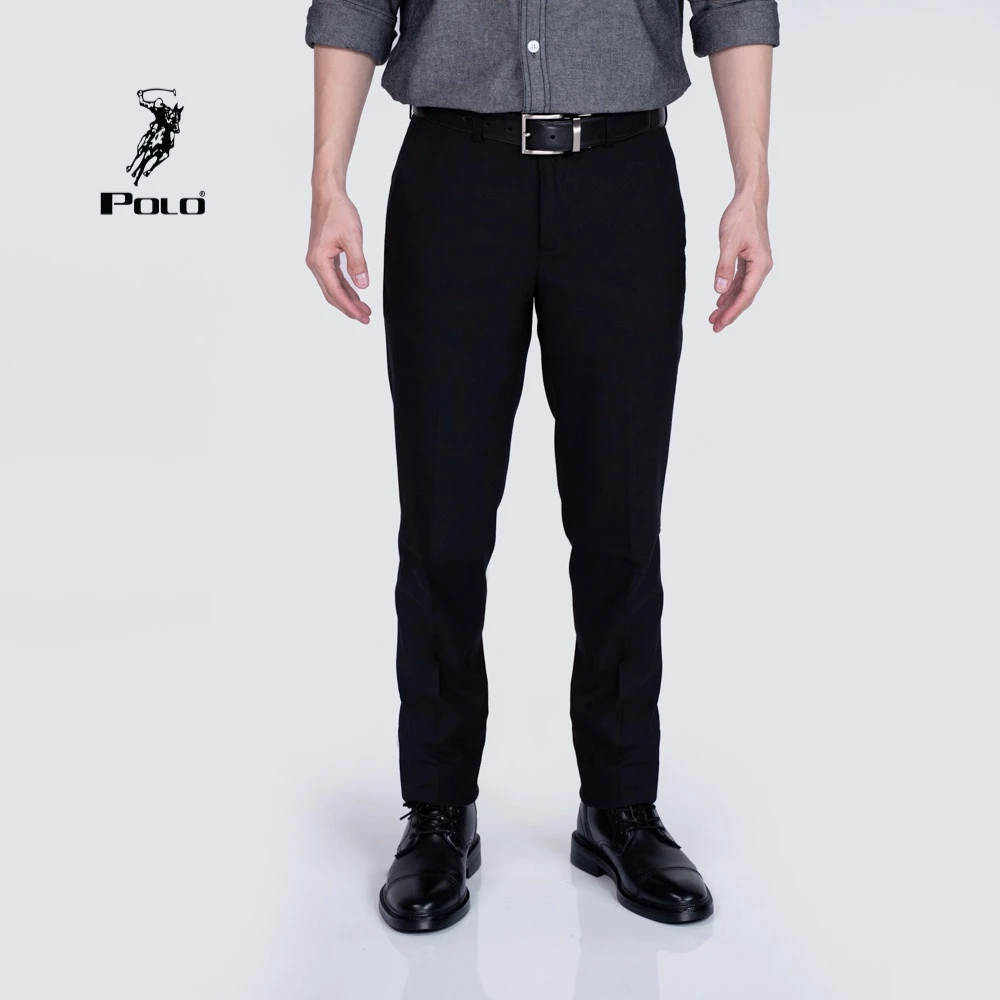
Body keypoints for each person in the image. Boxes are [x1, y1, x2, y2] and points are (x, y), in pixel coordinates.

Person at [304, 0, 779, 932]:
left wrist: (751, 185)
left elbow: (733, 4)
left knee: (619, 519)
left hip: (624, 180)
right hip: (452, 177)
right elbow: (354, 5)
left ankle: (620, 806)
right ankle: (438, 808)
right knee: (442, 522)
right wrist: (328, 183)